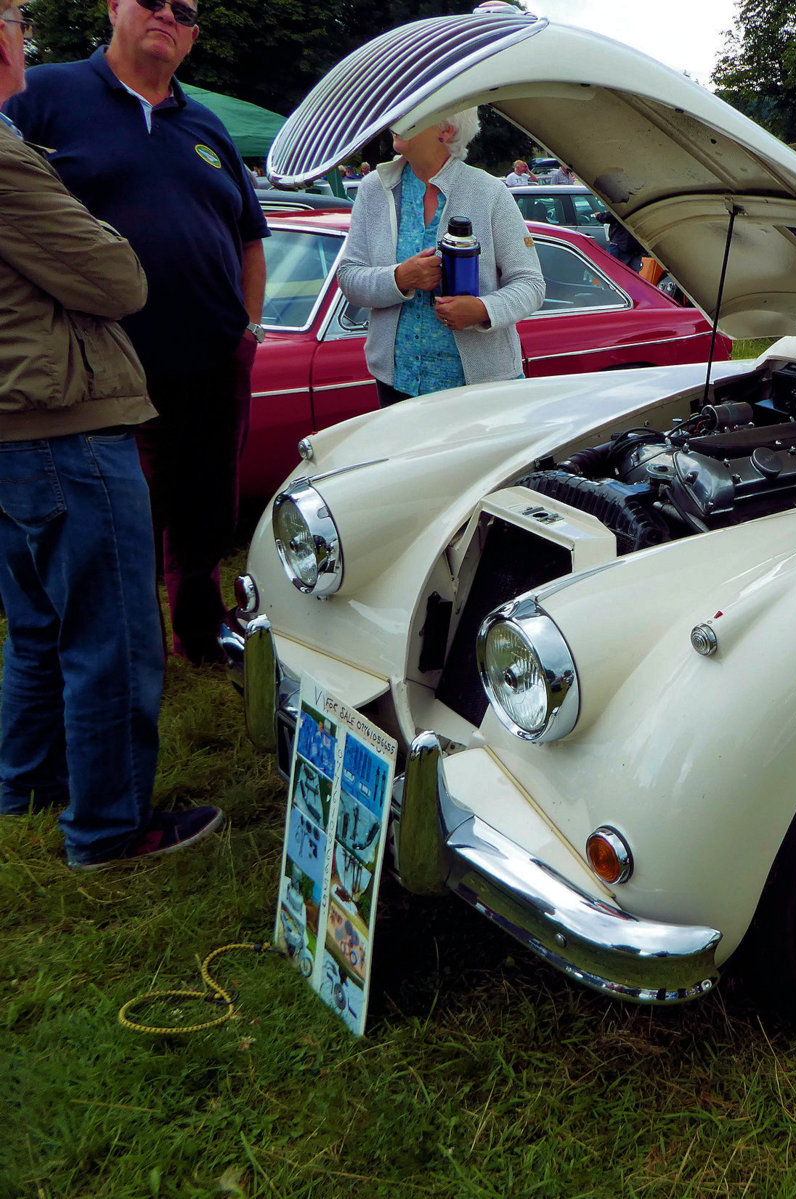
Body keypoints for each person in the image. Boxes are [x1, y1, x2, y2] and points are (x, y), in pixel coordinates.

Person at [0, 0, 222, 867]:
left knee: (39, 622)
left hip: (25, 416)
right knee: (114, 634)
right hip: (67, 418)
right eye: (13, 17)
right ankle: (110, 827)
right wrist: (100, 235)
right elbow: (118, 278)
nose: (21, 33)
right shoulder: (12, 150)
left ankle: (26, 781)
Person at [4, 0, 270, 666]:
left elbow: (250, 238)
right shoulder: (44, 94)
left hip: (215, 359)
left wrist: (249, 329)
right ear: (113, 7)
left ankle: (199, 635)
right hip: (105, 372)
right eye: (152, 1)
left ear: (194, 36)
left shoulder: (205, 123)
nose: (167, 16)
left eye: (184, 11)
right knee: (121, 526)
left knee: (208, 509)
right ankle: (122, 652)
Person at [335, 108, 545, 406]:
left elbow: (531, 284)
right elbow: (349, 277)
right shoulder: (374, 189)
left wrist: (482, 309)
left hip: (480, 390)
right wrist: (400, 278)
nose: (396, 120)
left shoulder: (490, 192)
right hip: (398, 385)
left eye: (411, 115)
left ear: (446, 130)